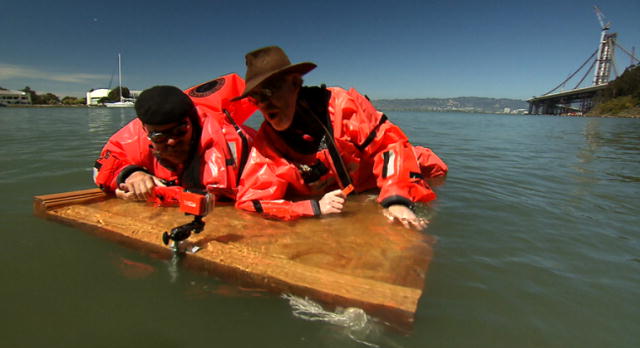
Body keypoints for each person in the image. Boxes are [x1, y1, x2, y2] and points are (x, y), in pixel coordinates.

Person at [233, 46, 447, 230]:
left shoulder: (342, 106)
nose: (264, 104)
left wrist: (397, 199)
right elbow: (251, 201)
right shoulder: (268, 143)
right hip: (337, 197)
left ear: (295, 84)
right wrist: (312, 208)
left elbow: (389, 146)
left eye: (270, 91)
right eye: (256, 97)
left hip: (380, 183)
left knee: (433, 169)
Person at [93, 73, 257, 202]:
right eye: (159, 136)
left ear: (192, 121)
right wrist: (130, 174)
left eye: (180, 131)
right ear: (145, 130)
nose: (171, 141)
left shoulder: (237, 143)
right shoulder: (131, 138)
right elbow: (100, 169)